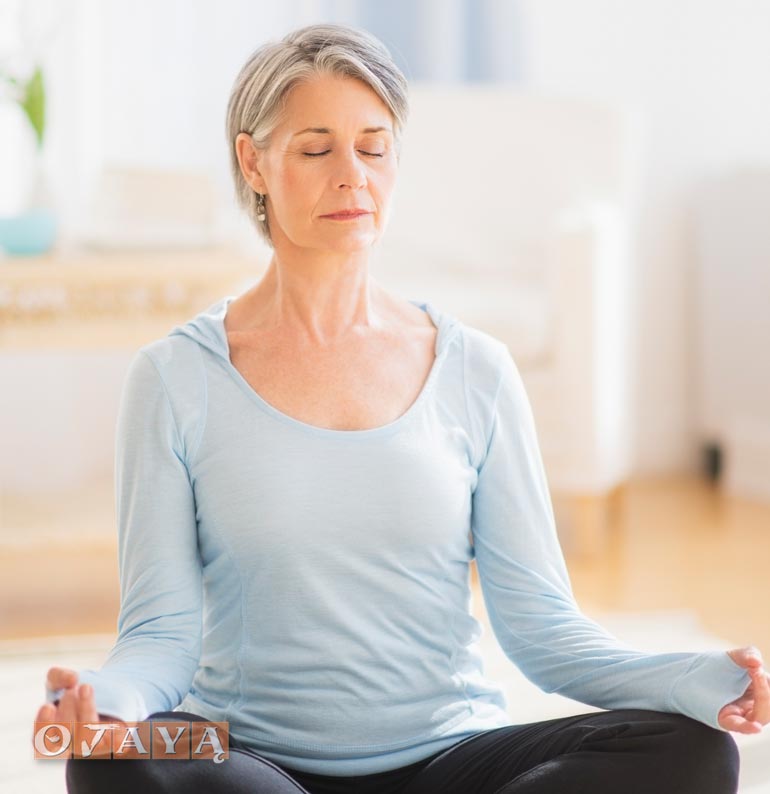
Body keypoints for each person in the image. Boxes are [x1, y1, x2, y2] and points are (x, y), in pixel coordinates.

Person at [35, 22, 768, 794]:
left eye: (373, 147)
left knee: (689, 749)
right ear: (255, 162)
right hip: (258, 765)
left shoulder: (475, 370)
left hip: (449, 765)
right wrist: (104, 705)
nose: (351, 175)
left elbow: (543, 633)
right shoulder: (174, 378)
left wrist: (689, 678)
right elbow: (161, 638)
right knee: (108, 759)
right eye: (316, 149)